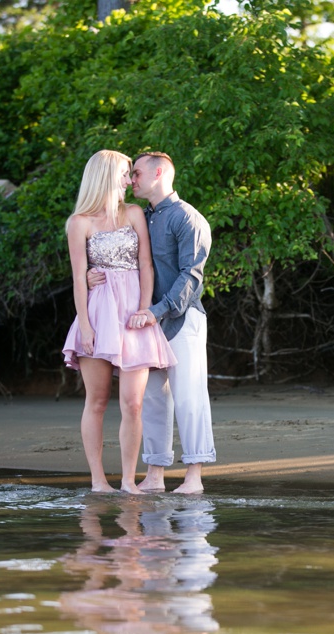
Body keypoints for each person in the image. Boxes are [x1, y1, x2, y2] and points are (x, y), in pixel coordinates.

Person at [88, 151, 216, 494]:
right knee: (153, 400)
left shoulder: (189, 218)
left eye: (138, 173)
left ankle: (194, 476)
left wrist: (156, 311)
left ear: (159, 173)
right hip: (144, 321)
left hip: (182, 319)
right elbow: (122, 260)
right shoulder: (141, 216)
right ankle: (155, 473)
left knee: (190, 396)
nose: (132, 180)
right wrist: (90, 274)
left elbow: (192, 277)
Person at [63, 150, 177, 494]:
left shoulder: (133, 214)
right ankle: (98, 481)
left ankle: (129, 480)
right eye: (126, 173)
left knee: (133, 402)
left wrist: (144, 310)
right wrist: (84, 325)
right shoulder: (79, 222)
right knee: (96, 401)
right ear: (107, 175)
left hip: (132, 315)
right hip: (97, 314)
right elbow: (78, 277)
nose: (130, 180)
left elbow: (146, 264)